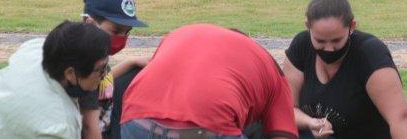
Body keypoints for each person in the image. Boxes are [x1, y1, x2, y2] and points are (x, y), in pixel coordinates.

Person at [120, 23, 299, 139]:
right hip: (207, 127)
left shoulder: (181, 33)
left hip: (136, 118)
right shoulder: (269, 67)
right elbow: (283, 133)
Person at [283, 0, 407, 139]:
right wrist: (311, 123)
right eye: (320, 41)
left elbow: (399, 119)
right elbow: (285, 109)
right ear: (307, 27)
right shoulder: (301, 46)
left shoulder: (370, 54)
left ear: (352, 26)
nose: (329, 49)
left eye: (336, 41)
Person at [0, 20, 110, 139]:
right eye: (100, 70)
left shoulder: (35, 49)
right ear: (70, 73)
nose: (104, 75)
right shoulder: (59, 127)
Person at [79, 0, 151, 139]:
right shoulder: (78, 58)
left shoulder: (97, 55)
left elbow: (102, 81)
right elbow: (87, 125)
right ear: (90, 23)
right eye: (116, 31)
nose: (121, 38)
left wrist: (130, 62)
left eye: (127, 32)